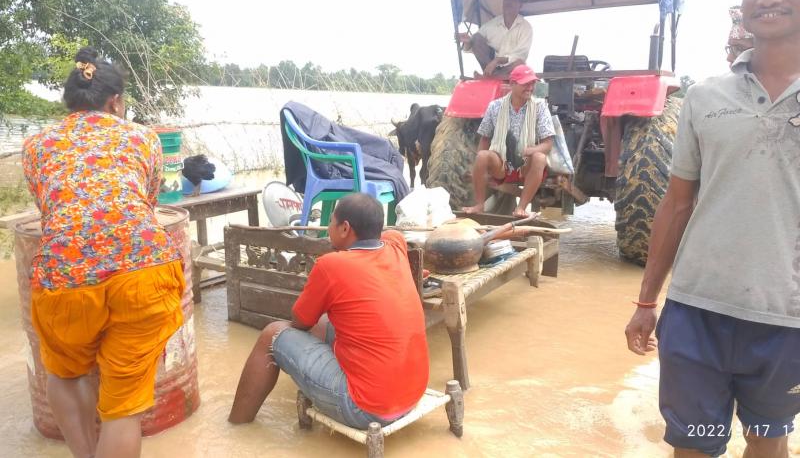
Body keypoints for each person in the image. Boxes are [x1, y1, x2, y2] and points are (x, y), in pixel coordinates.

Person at [624, 0, 800, 456]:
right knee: (695, 444)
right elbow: (677, 203)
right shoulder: (704, 98)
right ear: (741, 5)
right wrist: (645, 302)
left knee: (769, 440)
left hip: (787, 321)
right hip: (697, 314)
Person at [21, 47, 184, 458]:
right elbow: (146, 202)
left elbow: (50, 209)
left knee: (66, 374)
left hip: (65, 277)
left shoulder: (37, 145)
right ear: (116, 102)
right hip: (143, 270)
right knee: (123, 410)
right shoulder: (141, 136)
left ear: (69, 101)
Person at [228, 193, 429, 429]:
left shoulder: (330, 265)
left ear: (345, 228)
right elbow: (388, 235)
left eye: (331, 222)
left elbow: (300, 322)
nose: (327, 229)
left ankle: (236, 427)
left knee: (271, 335)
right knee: (326, 322)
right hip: (412, 395)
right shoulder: (395, 246)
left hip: (366, 409)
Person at [463, 64, 554, 218]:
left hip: (526, 165)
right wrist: (480, 169)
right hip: (502, 164)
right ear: (512, 84)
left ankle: (521, 208)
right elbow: (485, 138)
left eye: (532, 83)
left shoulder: (540, 107)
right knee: (482, 156)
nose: (530, 87)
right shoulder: (495, 106)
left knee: (540, 157)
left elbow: (548, 144)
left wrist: (530, 151)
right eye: (525, 83)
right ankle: (479, 205)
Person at [460, 0, 533, 77]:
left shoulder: (526, 27)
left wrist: (497, 60)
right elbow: (473, 45)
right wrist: (468, 42)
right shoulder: (492, 24)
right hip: (490, 67)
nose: (508, 2)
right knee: (476, 37)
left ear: (520, 5)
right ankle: (491, 76)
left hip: (511, 71)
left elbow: (520, 56)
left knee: (520, 63)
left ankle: (489, 78)